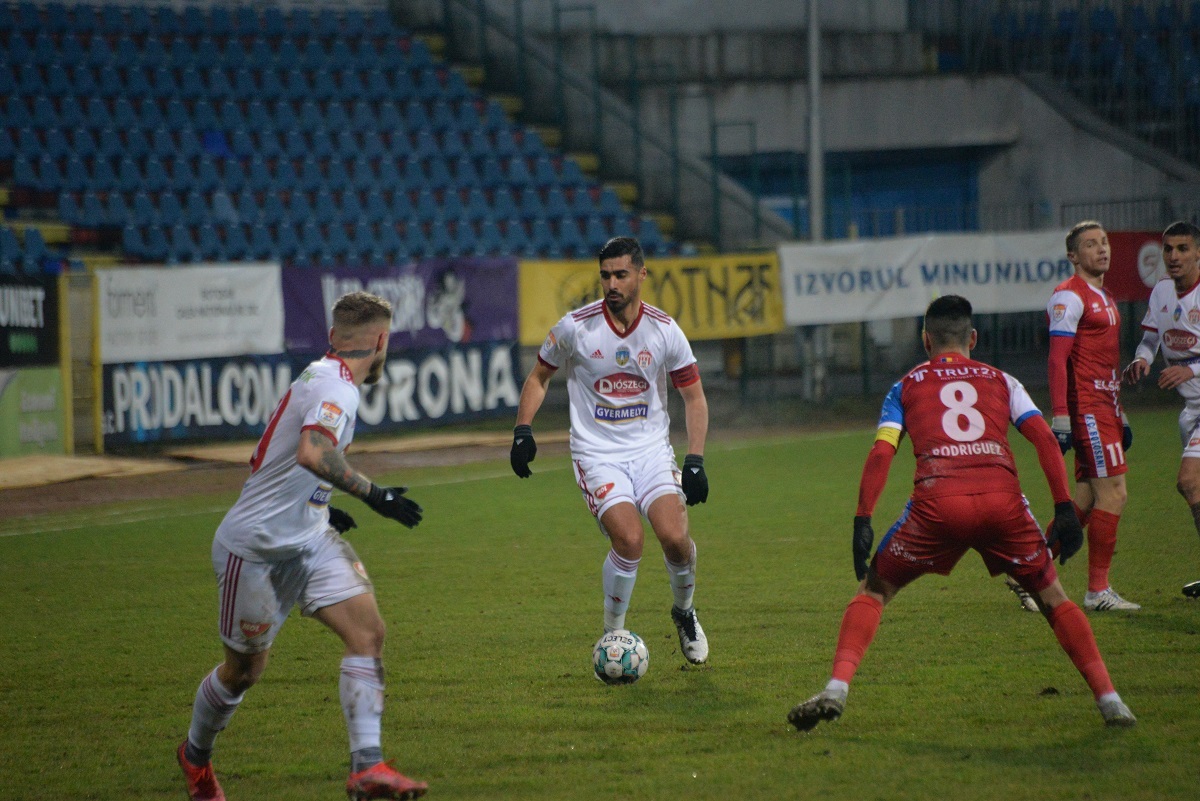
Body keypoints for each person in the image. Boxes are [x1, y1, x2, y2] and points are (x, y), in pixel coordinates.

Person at [788, 295, 1136, 732]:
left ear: (925, 339)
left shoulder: (906, 385)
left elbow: (882, 452)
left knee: (873, 591)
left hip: (937, 505)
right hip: (1003, 504)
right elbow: (1046, 440)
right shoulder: (1002, 380)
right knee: (1054, 599)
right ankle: (1111, 701)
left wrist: (863, 518)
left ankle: (836, 688)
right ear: (972, 337)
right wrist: (1065, 507)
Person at [178, 291, 429, 801]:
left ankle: (367, 767)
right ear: (383, 341)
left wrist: (318, 504)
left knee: (368, 632)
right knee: (244, 671)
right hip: (256, 550)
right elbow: (313, 450)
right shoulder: (338, 389)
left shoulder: (319, 374)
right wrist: (375, 494)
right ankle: (195, 758)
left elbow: (277, 457)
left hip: (310, 538)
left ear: (335, 337)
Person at [510, 236, 712, 664]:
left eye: (621, 275)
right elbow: (539, 377)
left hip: (652, 450)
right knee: (629, 538)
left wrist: (694, 459)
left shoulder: (664, 330)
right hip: (597, 454)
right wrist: (522, 430)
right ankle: (612, 638)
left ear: (642, 274)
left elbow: (694, 397)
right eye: (605, 275)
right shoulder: (575, 327)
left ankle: (685, 612)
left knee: (676, 538)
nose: (612, 284)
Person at [1033, 220, 1138, 613]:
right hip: (1087, 408)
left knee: (1089, 498)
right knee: (1115, 493)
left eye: (1105, 242)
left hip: (1106, 406)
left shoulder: (1105, 296)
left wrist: (1121, 412)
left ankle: (1030, 575)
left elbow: (1106, 362)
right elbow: (1058, 361)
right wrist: (1061, 417)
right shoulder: (1069, 296)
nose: (1102, 249)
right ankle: (1097, 591)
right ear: (1073, 256)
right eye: (1091, 245)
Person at [1123, 220, 1200, 598]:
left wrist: (1190, 367)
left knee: (1189, 482)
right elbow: (1151, 336)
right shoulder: (1162, 292)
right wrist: (1142, 359)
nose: (1173, 256)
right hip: (1190, 409)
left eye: (1183, 249)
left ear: (1198, 253)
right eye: (1168, 248)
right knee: (1197, 489)